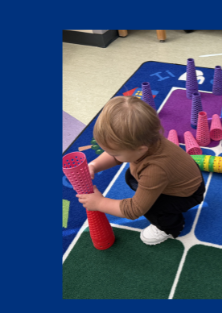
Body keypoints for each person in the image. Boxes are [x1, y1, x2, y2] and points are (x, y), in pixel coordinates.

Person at [75, 96, 206, 245]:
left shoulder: (154, 170)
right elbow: (117, 156)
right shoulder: (146, 140)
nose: (112, 155)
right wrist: (94, 165)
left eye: (115, 153)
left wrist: (99, 203)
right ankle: (158, 201)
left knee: (151, 207)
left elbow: (133, 210)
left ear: (140, 149)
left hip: (186, 195)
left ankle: (171, 227)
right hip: (179, 177)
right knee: (131, 176)